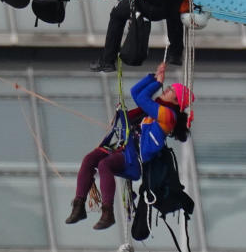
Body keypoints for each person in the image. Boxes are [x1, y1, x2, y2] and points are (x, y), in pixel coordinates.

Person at [66, 62, 193, 230]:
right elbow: (135, 92)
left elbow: (140, 98)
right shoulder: (155, 110)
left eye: (170, 90)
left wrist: (157, 83)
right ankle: (78, 205)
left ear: (176, 101)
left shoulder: (168, 115)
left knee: (105, 165)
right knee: (90, 159)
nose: (165, 90)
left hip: (135, 159)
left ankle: (108, 212)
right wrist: (152, 78)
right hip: (127, 149)